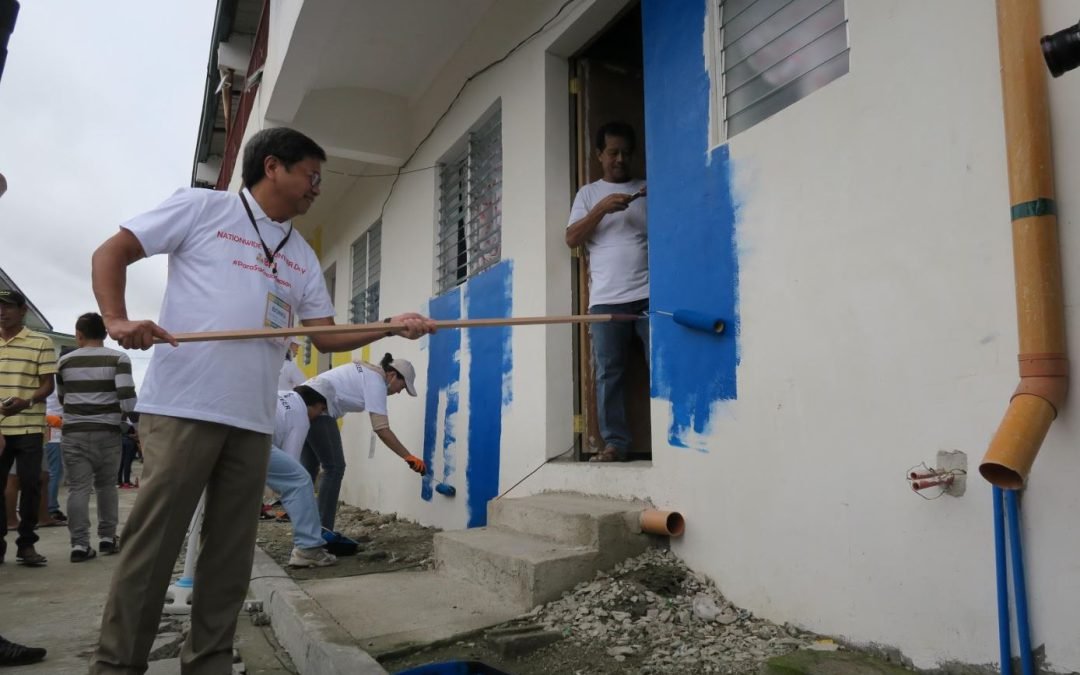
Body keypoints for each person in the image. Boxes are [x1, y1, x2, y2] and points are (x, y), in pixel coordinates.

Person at [89, 126, 434, 674]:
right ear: (273, 167)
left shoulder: (298, 254)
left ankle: (209, 664)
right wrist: (116, 319)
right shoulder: (204, 209)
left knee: (229, 556)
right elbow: (114, 250)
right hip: (186, 408)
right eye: (311, 176)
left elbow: (326, 336)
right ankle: (116, 667)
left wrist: (389, 327)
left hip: (253, 419)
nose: (316, 189)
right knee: (151, 551)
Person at [565, 121, 649, 463]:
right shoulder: (587, 194)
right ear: (599, 155)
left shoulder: (647, 189)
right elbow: (571, 239)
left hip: (649, 294)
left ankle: (671, 436)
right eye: (612, 152)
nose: (619, 159)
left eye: (626, 153)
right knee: (608, 374)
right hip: (605, 300)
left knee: (660, 365)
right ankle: (614, 444)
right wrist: (601, 208)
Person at [301, 352, 426, 531]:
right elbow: (382, 429)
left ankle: (306, 533)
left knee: (307, 472)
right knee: (334, 468)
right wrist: (408, 457)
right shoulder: (376, 381)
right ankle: (322, 533)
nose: (399, 392)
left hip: (303, 405)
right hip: (318, 409)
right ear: (392, 375)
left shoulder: (366, 374)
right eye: (402, 386)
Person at [57, 312, 137, 562]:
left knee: (78, 489)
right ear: (104, 334)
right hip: (108, 432)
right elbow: (127, 399)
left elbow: (62, 398)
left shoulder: (64, 362)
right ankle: (106, 538)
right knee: (106, 487)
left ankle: (79, 545)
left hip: (74, 433)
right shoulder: (118, 358)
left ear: (78, 334)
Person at [0, 288, 56, 566]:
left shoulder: (40, 342)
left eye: (8, 306)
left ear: (23, 311)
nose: (2, 311)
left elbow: (48, 383)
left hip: (29, 427)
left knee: (31, 485)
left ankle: (26, 544)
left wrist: (28, 400)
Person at [267, 384, 337, 568]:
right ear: (312, 405)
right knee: (299, 480)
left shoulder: (282, 394)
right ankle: (308, 549)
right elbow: (292, 464)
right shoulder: (301, 417)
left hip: (231, 427)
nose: (319, 416)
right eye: (321, 410)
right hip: (254, 437)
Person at [44, 383, 68, 522]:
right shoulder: (57, 380)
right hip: (55, 427)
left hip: (48, 425)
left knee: (49, 471)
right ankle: (50, 508)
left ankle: (48, 507)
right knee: (54, 471)